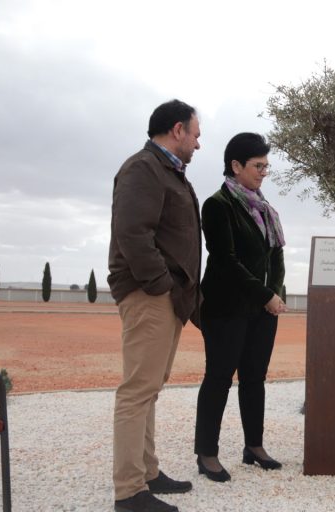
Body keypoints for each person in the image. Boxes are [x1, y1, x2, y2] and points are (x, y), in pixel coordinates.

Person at [108, 99, 202, 512]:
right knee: (137, 391)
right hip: (150, 294)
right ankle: (129, 492)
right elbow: (132, 233)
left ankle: (147, 472)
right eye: (195, 134)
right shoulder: (143, 168)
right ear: (177, 130)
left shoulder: (167, 172)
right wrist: (161, 285)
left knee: (149, 389)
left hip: (167, 296)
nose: (198, 143)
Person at [194, 132, 287, 482]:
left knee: (254, 378)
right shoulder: (217, 205)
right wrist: (265, 295)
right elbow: (226, 261)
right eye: (257, 166)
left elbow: (275, 256)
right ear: (236, 166)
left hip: (261, 310)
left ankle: (254, 446)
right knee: (219, 378)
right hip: (226, 308)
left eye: (266, 167)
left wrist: (272, 293)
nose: (263, 173)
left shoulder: (265, 209)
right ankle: (207, 453)